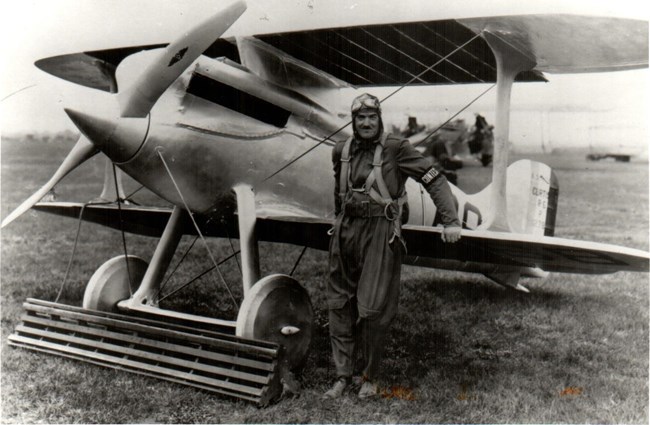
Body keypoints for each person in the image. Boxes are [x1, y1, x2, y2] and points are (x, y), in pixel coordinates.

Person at [324, 93, 462, 400]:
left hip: (380, 230)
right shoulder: (340, 150)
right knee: (339, 304)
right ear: (353, 121)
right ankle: (342, 376)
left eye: (372, 117)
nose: (367, 123)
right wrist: (339, 221)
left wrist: (450, 220)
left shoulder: (397, 148)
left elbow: (434, 178)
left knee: (372, 308)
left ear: (380, 118)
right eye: (360, 118)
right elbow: (339, 190)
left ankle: (370, 376)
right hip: (345, 230)